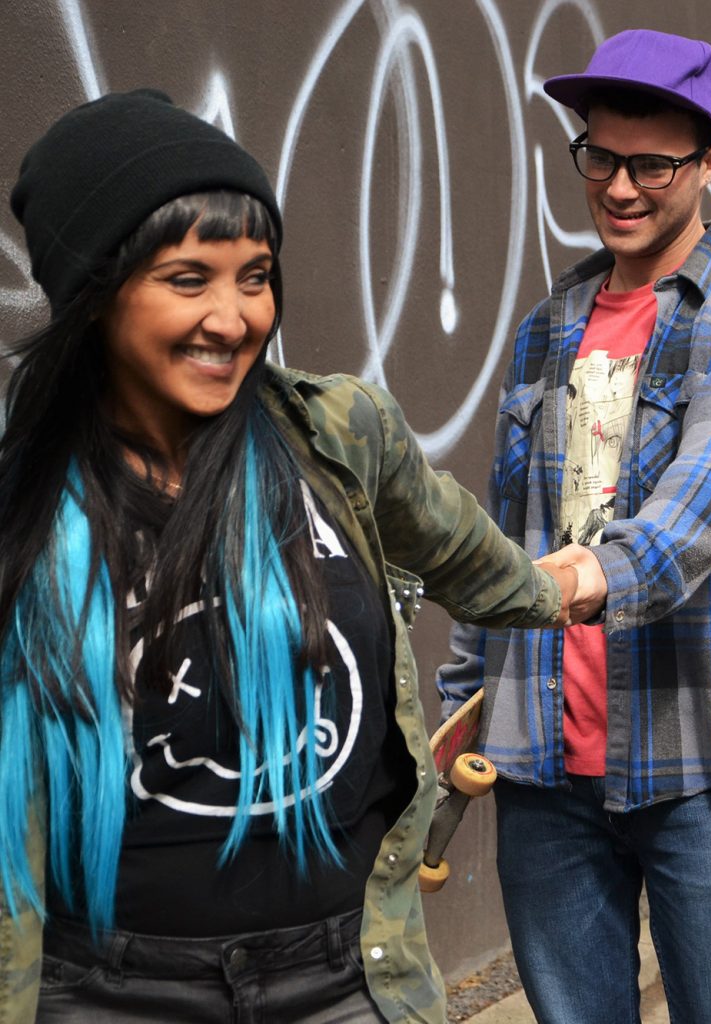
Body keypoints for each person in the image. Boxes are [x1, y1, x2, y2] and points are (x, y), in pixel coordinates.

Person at [0, 89, 590, 1024]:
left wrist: (568, 588)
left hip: (345, 977)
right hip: (107, 990)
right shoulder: (23, 495)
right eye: (188, 279)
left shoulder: (335, 433)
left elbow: (457, 545)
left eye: (256, 275)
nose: (234, 319)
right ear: (96, 293)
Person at [438, 30, 711, 1023]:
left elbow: (701, 510)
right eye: (598, 156)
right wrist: (462, 698)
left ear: (709, 164)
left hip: (705, 762)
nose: (619, 186)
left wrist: (564, 586)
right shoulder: (549, 320)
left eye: (652, 164)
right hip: (545, 765)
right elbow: (505, 522)